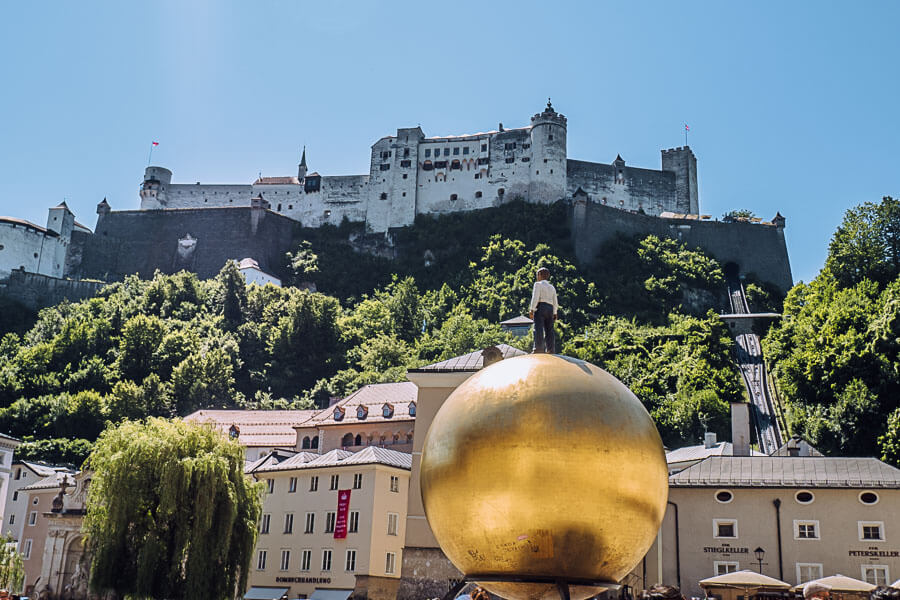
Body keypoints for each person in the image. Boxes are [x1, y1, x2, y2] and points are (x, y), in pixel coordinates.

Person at [529, 267, 558, 354]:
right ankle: (550, 349)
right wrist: (555, 312)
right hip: (550, 308)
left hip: (541, 307)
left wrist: (532, 309)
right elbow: (555, 301)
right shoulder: (552, 287)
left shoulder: (538, 284)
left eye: (537, 275)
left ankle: (538, 348)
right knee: (549, 330)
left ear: (540, 275)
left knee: (538, 328)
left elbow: (535, 297)